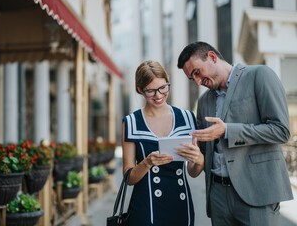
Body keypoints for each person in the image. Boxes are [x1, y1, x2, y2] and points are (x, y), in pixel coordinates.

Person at [176, 41, 293, 225]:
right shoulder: (204, 102)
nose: (198, 82)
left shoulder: (259, 75)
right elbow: (202, 158)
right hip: (218, 198)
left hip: (257, 195)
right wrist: (196, 158)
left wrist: (228, 130)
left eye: (197, 72)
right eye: (193, 78)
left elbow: (281, 131)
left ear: (212, 57)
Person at [122, 60, 204, 226]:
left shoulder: (187, 118)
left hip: (180, 204)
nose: (158, 95)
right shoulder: (131, 122)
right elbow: (128, 177)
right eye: (151, 91)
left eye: (163, 87)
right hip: (146, 207)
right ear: (139, 90)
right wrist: (147, 163)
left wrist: (199, 160)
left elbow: (193, 172)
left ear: (168, 83)